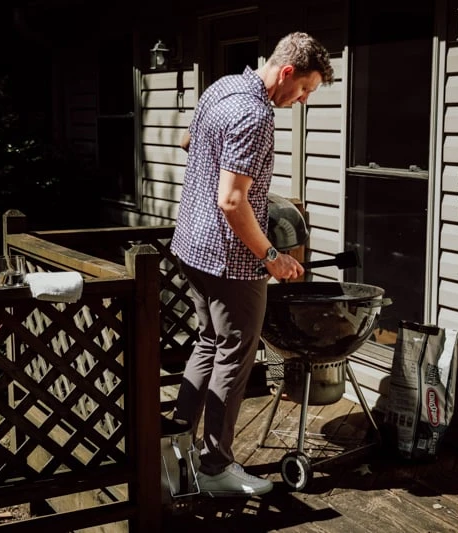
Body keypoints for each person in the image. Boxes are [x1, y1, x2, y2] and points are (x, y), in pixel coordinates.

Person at [170, 32, 334, 497]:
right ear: (287, 72)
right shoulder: (256, 113)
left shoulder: (220, 87)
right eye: (304, 89)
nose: (301, 100)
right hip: (229, 258)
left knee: (209, 342)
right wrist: (273, 256)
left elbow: (189, 142)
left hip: (190, 245)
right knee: (236, 354)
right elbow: (231, 199)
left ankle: (179, 448)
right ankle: (217, 466)